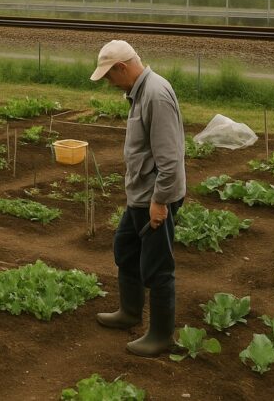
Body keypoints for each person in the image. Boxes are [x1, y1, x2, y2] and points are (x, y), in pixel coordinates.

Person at [89, 40, 186, 357]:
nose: (109, 83)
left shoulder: (156, 94)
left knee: (157, 267)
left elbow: (170, 160)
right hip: (140, 197)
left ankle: (160, 335)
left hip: (156, 199)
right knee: (125, 247)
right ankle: (129, 312)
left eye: (109, 76)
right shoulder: (140, 92)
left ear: (122, 67)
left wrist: (160, 202)